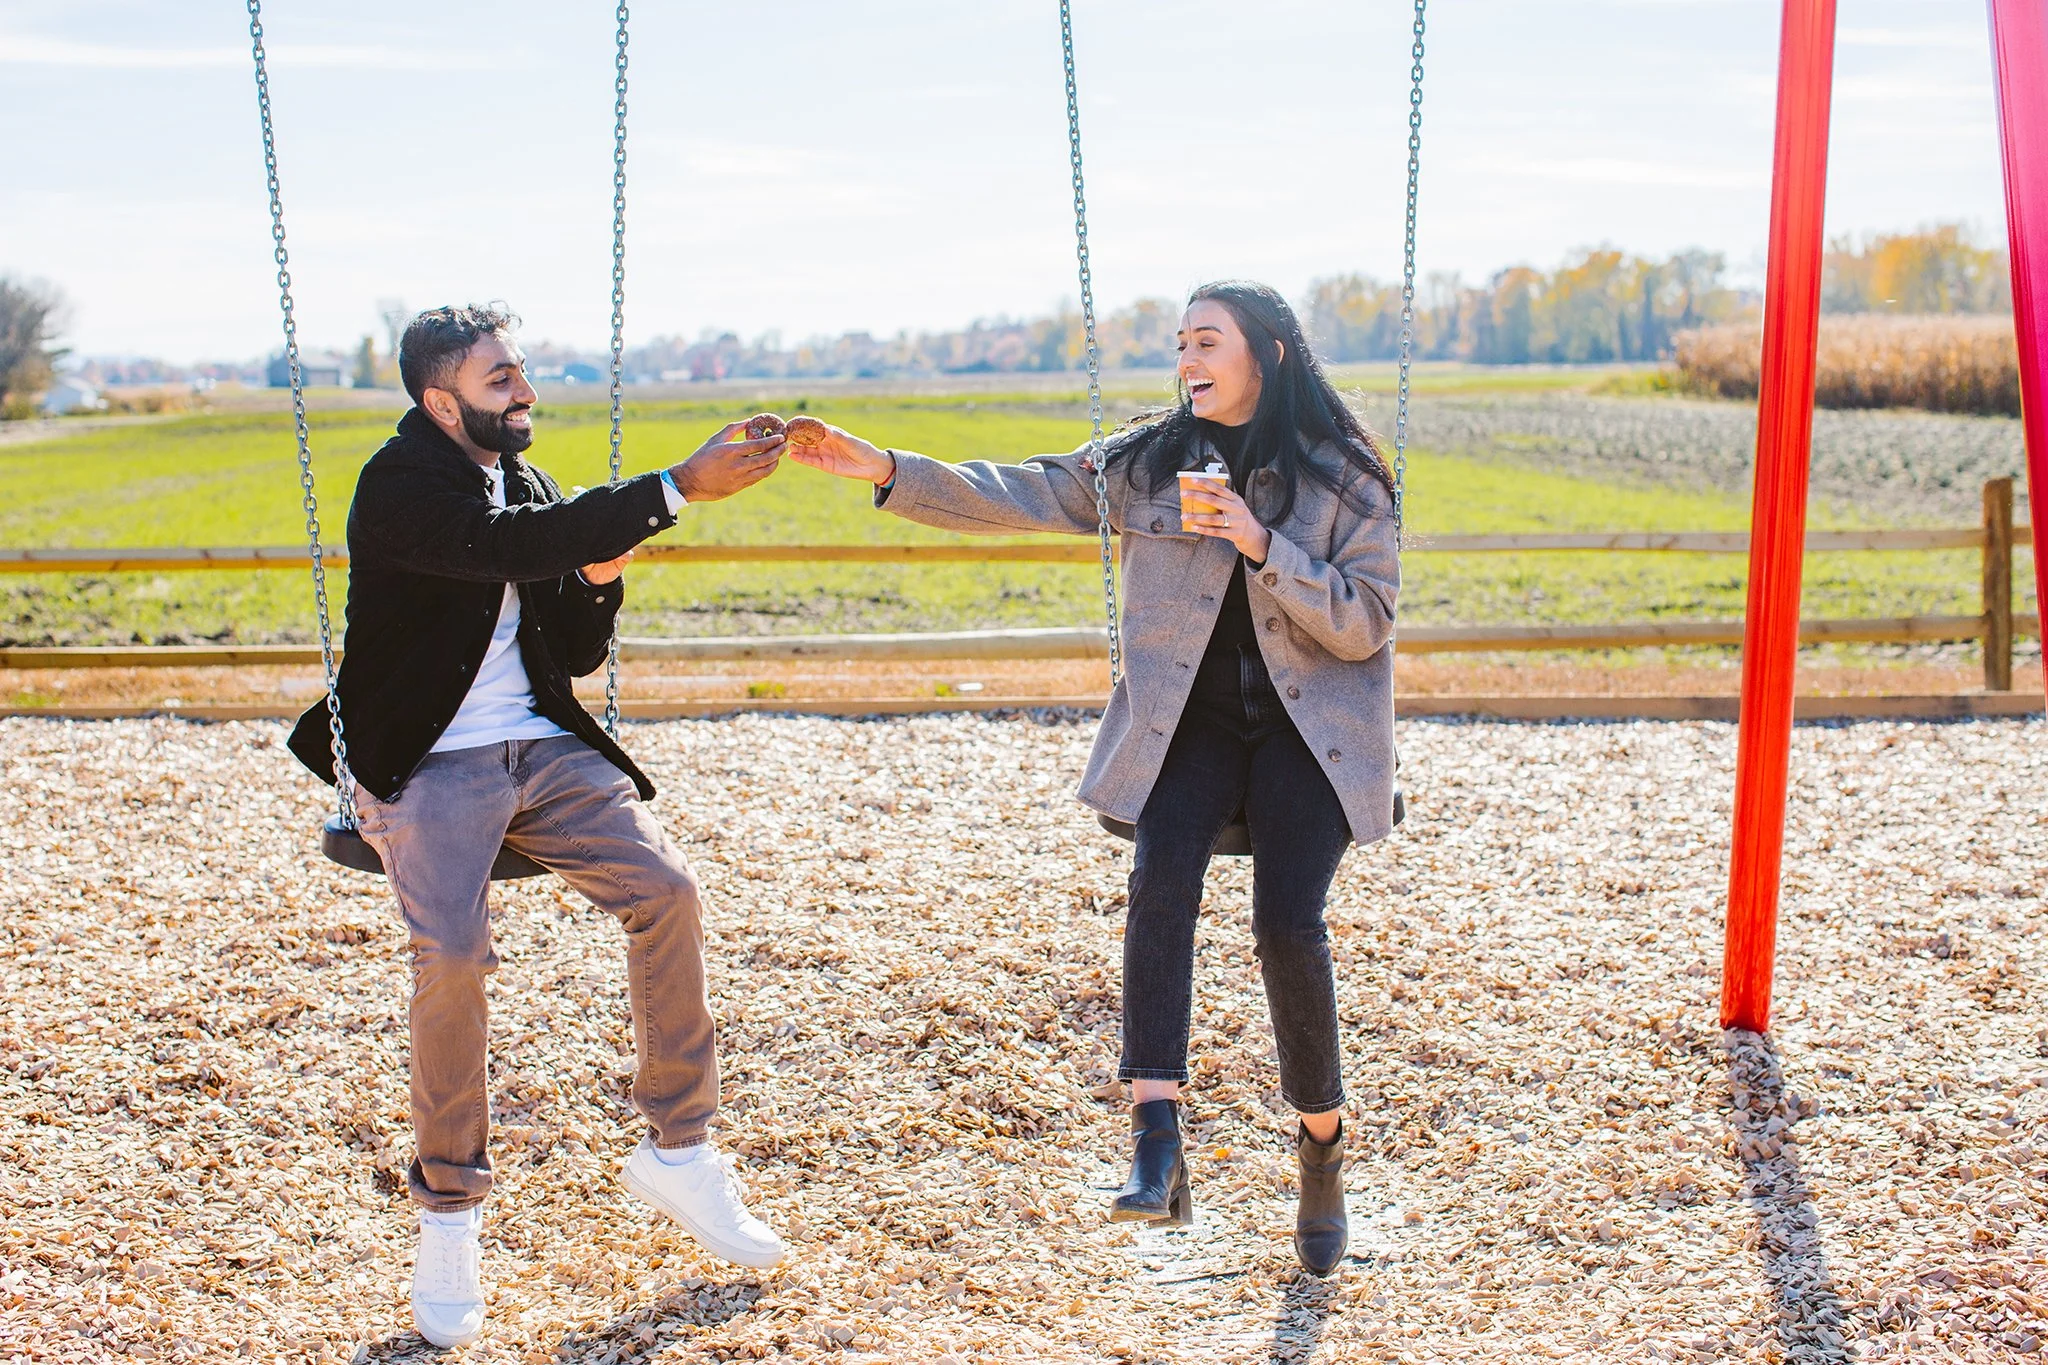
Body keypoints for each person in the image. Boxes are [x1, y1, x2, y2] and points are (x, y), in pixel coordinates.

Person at [787, 281, 1399, 1277]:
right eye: (1178, 342)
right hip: (1188, 725)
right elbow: (1017, 490)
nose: (1185, 357)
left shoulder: (1346, 479)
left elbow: (1364, 621)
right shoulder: (1147, 463)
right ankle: (1155, 1136)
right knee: (1159, 884)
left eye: (1206, 340)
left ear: (1268, 356)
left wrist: (1255, 540)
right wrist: (884, 468)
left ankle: (1321, 1148)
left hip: (1307, 730)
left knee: (1286, 922)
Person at [287, 304, 789, 1348]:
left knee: (668, 897)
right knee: (454, 952)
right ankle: (450, 1216)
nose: (523, 392)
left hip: (539, 749)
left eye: (521, 372)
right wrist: (673, 489)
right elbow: (501, 551)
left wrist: (599, 577)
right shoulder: (400, 486)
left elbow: (570, 644)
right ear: (441, 400)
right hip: (427, 759)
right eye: (501, 377)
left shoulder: (529, 481)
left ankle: (679, 1150)